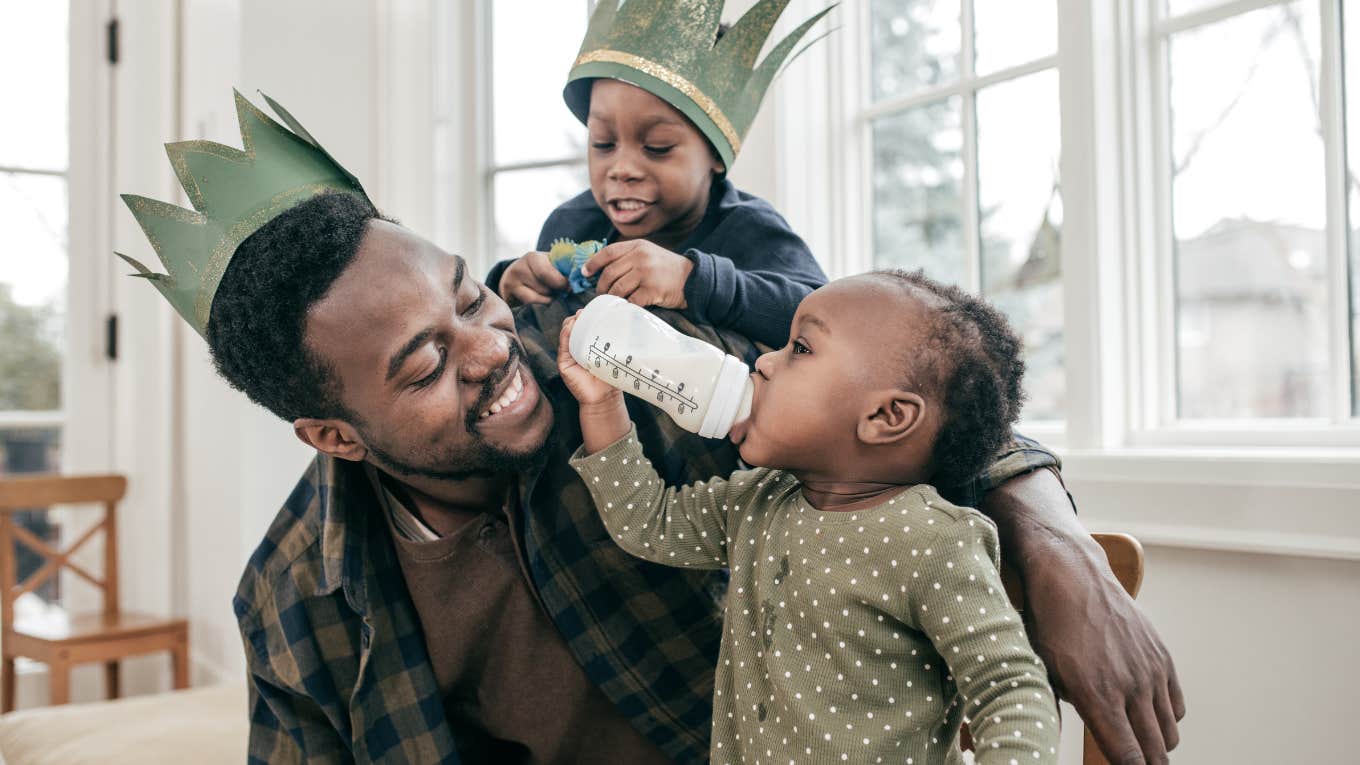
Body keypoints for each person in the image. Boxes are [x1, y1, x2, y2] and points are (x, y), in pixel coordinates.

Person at [120, 91, 1182, 765]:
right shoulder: (296, 597)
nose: (492, 348)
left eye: (467, 296)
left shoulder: (621, 361)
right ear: (335, 436)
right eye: (427, 365)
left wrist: (1053, 541)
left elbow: (905, 393)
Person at [560, 271, 1061, 764]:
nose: (764, 363)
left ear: (886, 418)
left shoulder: (932, 542)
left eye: (799, 349)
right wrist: (602, 404)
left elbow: (1011, 691)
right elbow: (649, 523)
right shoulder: (758, 501)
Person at [486, 7, 832, 349]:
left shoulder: (749, 227)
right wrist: (507, 286)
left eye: (657, 147)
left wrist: (691, 281)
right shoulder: (572, 223)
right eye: (603, 143)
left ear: (716, 154)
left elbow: (827, 316)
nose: (622, 168)